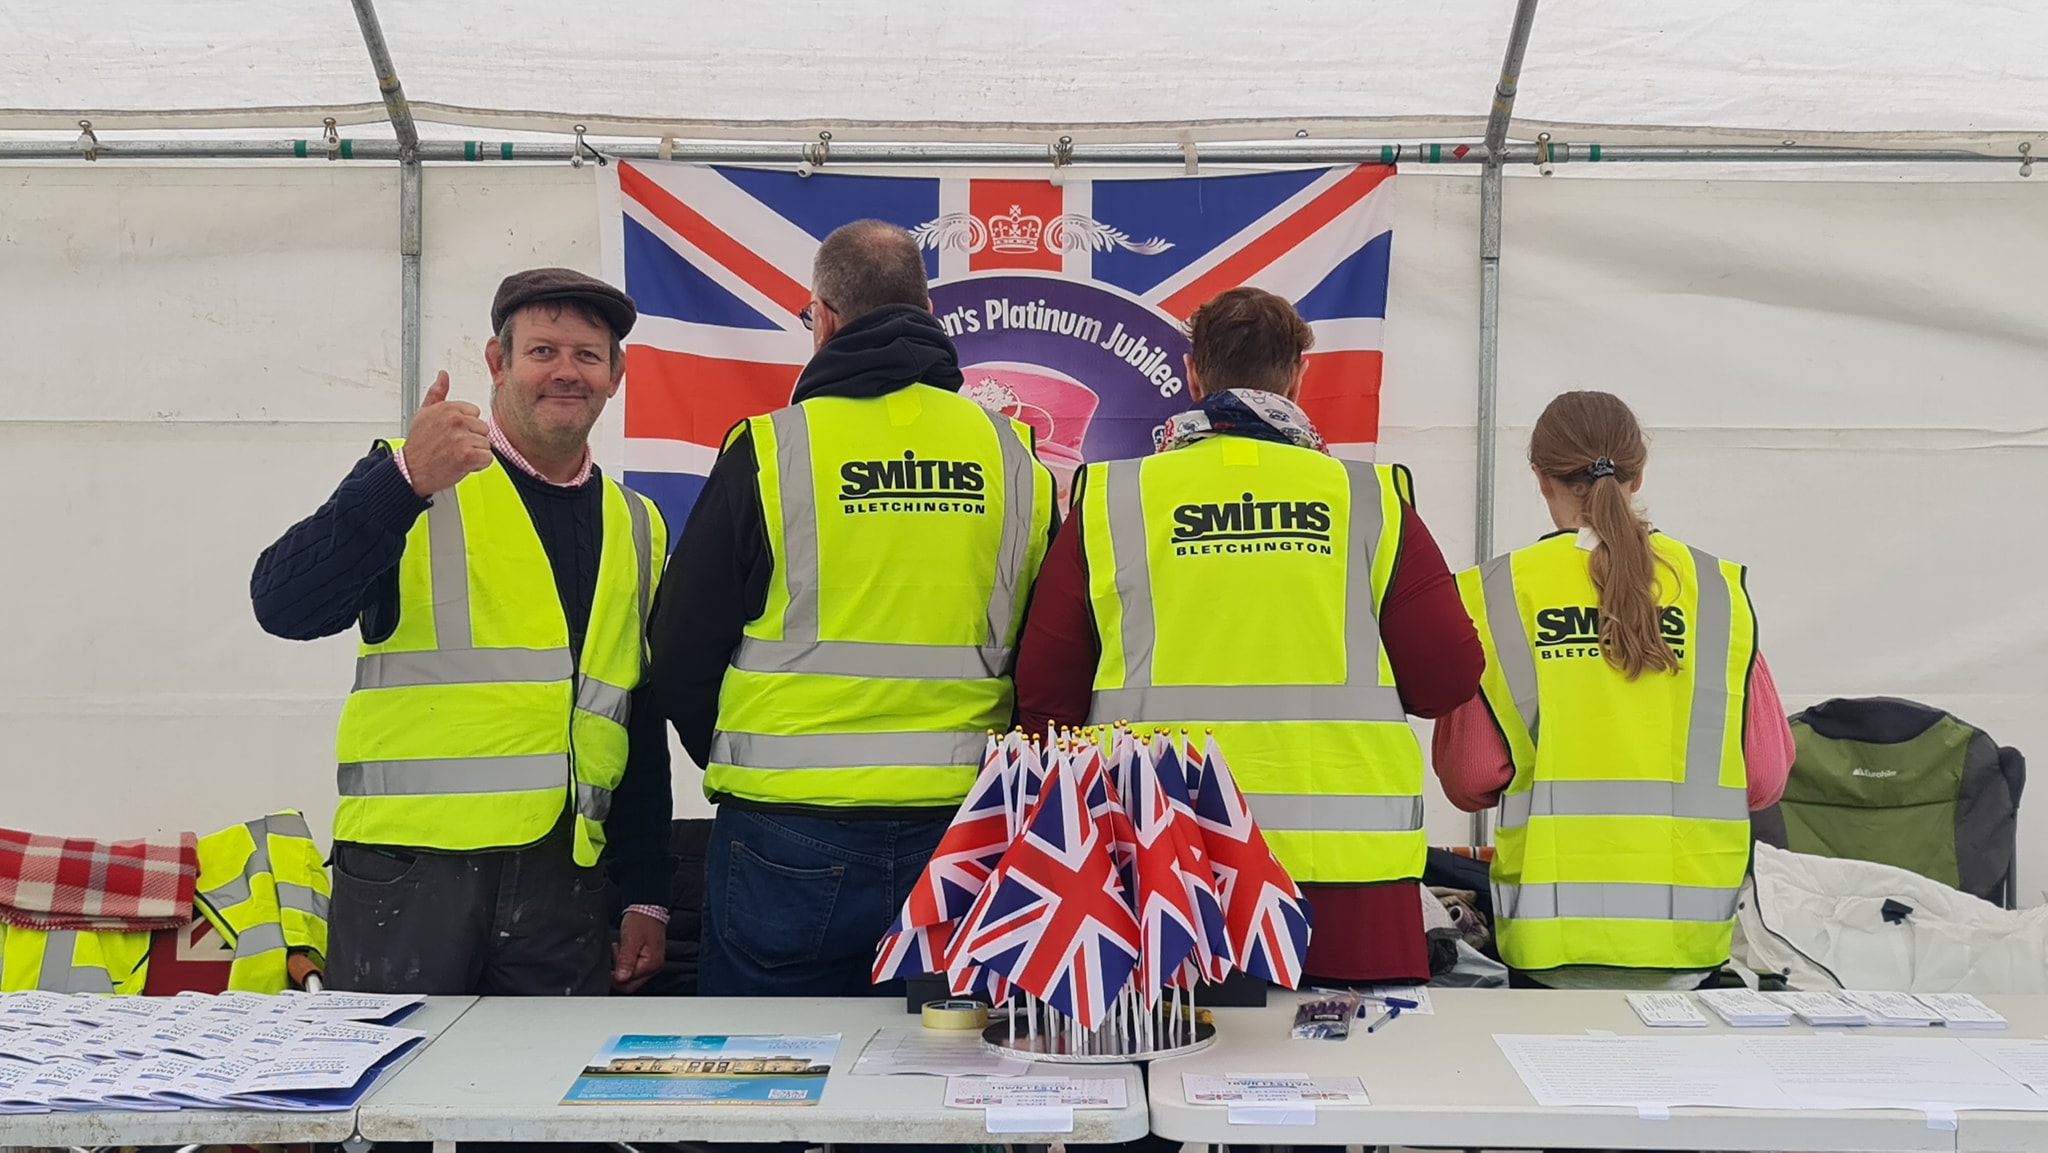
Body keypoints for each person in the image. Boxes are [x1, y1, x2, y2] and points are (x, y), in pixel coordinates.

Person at [1013, 286, 1483, 986]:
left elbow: (1043, 702)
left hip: (1169, 880)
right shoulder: (1371, 501)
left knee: (1180, 1083)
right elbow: (1447, 678)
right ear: (1299, 375)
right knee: (1354, 1082)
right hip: (1347, 885)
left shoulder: (1112, 502)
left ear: (1192, 374)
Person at [650, 219, 1058, 997]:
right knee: (938, 1088)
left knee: (765, 1083)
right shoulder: (1017, 459)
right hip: (964, 827)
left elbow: (677, 646)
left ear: (826, 317)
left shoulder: (773, 448)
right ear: (927, 310)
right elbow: (1051, 653)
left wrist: (744, 753)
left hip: (787, 827)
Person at [251, 268, 675, 997]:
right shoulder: (412, 476)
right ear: (497, 362)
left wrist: (645, 893)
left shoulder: (639, 524)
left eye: (587, 355)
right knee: (389, 1099)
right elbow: (283, 603)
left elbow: (628, 723)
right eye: (543, 351)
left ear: (616, 375)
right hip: (409, 875)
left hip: (561, 886)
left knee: (546, 1101)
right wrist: (405, 479)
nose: (566, 372)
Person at [1434, 389, 1795, 989]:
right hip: (1687, 945)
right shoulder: (1717, 592)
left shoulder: (1495, 593)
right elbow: (1764, 780)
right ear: (1639, 473)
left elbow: (1470, 781)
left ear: (1541, 478)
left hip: (1549, 946)